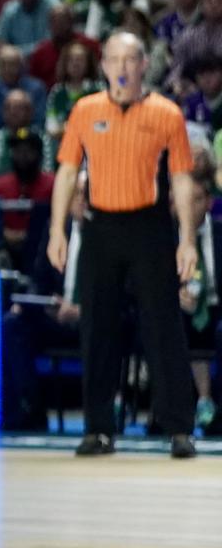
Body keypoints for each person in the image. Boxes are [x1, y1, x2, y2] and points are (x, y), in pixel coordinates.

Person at [48, 32, 203, 457]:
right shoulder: (84, 110)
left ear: (142, 66)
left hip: (149, 227)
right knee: (97, 327)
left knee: (162, 325)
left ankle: (179, 429)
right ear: (103, 68)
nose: (121, 67)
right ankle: (98, 428)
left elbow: (183, 179)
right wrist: (57, 230)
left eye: (130, 59)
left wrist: (187, 240)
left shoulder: (166, 113)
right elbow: (65, 171)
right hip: (100, 227)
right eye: (113, 59)